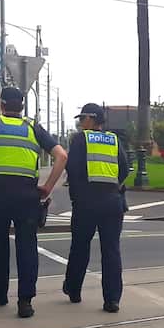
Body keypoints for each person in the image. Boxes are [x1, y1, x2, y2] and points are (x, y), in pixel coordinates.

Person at [0, 86, 67, 318]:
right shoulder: (33, 127)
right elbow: (62, 156)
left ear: (2, 104)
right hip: (27, 194)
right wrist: (48, 187)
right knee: (27, 246)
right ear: (22, 105)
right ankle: (25, 301)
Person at [62, 103, 129, 313]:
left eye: (82, 119)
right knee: (111, 251)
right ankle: (112, 300)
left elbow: (72, 169)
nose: (80, 123)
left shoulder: (80, 140)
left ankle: (73, 289)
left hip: (86, 203)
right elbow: (124, 169)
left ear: (92, 119)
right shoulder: (114, 140)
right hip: (112, 201)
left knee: (80, 247)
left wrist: (77, 195)